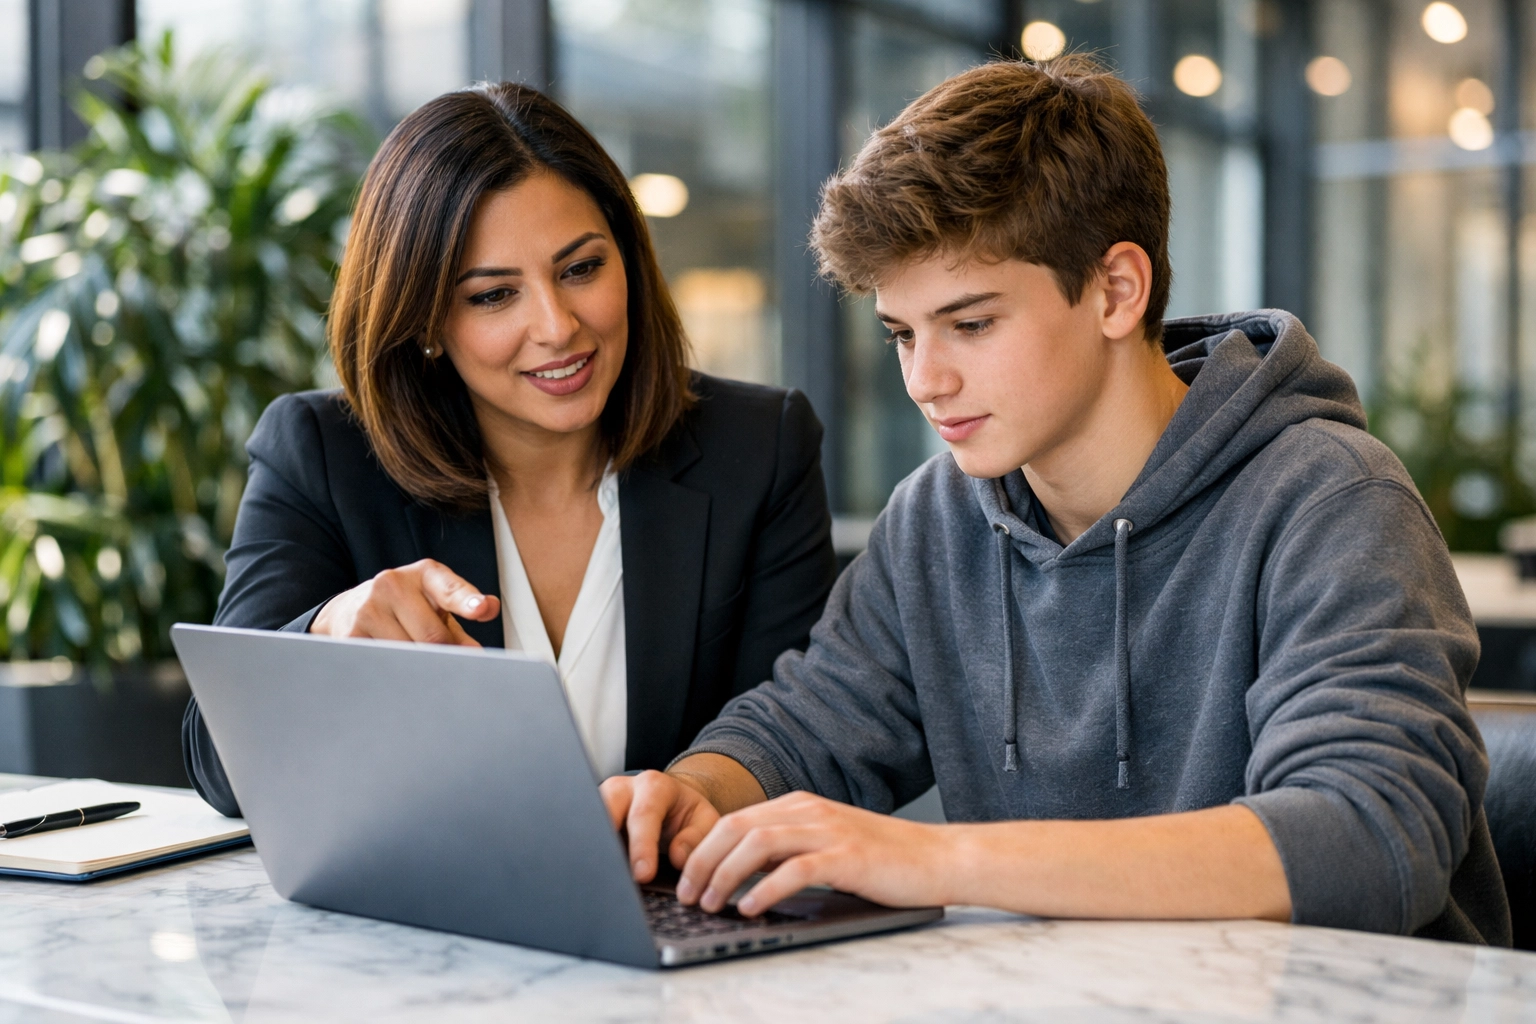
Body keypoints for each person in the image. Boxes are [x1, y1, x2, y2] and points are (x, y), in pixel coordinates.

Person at [603, 55, 1511, 944]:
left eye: (970, 324)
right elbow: (812, 723)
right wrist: (692, 792)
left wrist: (942, 860)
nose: (924, 381)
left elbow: (1367, 837)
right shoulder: (936, 516)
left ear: (1117, 290)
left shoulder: (1331, 499)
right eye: (901, 335)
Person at [182, 83, 837, 816]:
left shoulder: (757, 447)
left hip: (679, 882)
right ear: (424, 319)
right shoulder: (322, 454)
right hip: (428, 886)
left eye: (581, 269)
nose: (557, 327)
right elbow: (217, 767)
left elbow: (803, 744)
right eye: (493, 295)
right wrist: (325, 633)